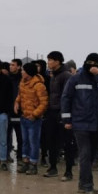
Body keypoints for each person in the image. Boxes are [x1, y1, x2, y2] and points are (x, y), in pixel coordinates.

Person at [61, 53, 98, 194]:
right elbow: (66, 98)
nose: (92, 66)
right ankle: (87, 187)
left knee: (91, 155)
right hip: (81, 122)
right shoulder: (76, 79)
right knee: (85, 153)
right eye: (89, 62)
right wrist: (66, 119)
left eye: (95, 63)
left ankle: (82, 183)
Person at [43, 51, 74, 179]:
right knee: (51, 141)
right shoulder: (53, 75)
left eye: (50, 60)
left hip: (63, 113)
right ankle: (53, 167)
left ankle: (68, 171)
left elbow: (67, 96)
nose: (48, 63)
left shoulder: (66, 76)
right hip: (52, 111)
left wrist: (64, 114)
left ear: (57, 61)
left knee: (67, 142)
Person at [14, 62, 48, 175]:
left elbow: (44, 103)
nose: (21, 72)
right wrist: (16, 103)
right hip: (24, 117)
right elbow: (20, 95)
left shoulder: (39, 85)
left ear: (28, 72)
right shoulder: (23, 82)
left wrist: (34, 114)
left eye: (23, 70)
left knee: (34, 142)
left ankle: (33, 164)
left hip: (34, 119)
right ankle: (26, 162)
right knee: (25, 141)